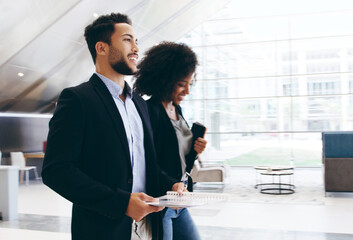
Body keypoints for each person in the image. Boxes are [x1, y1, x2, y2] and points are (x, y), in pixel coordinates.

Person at [41, 13, 185, 240]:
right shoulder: (77, 99)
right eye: (127, 40)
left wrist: (171, 186)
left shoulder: (139, 103)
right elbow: (56, 171)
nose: (136, 48)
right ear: (102, 48)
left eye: (136, 41)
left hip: (148, 226)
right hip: (103, 229)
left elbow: (144, 163)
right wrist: (122, 203)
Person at [134, 42, 207, 240]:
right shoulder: (150, 112)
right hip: (162, 201)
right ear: (165, 80)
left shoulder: (177, 110)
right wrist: (171, 184)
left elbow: (176, 155)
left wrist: (194, 149)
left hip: (179, 199)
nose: (187, 91)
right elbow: (148, 161)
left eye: (189, 84)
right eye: (181, 85)